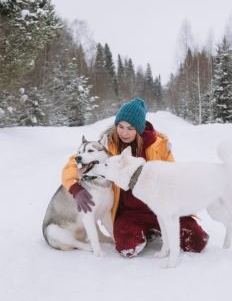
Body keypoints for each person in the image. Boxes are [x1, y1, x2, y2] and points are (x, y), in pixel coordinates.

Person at [62, 98, 209, 257]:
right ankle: (149, 232)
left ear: (139, 128)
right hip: (129, 211)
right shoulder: (108, 145)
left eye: (130, 128)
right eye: (120, 127)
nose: (124, 132)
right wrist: (74, 187)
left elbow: (174, 175)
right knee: (127, 246)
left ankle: (160, 229)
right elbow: (73, 163)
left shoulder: (157, 145)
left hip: (161, 204)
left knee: (197, 241)